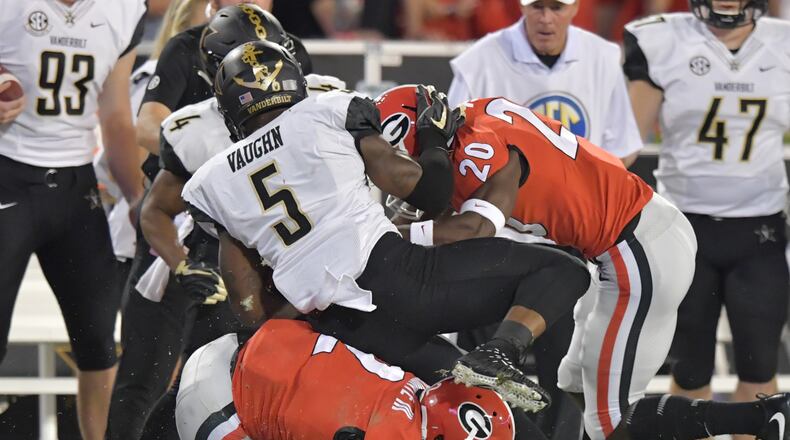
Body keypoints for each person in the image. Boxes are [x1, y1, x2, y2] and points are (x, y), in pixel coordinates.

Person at [182, 40, 591, 411]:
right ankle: (499, 352)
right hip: (401, 280)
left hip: (339, 325)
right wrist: (432, 139)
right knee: (561, 270)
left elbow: (247, 304)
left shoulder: (213, 180)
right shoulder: (326, 110)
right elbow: (426, 194)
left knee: (467, 407)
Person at [374, 85, 696, 440]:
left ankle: (753, 417)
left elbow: (478, 226)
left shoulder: (478, 150)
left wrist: (387, 234)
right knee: (574, 381)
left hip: (639, 245)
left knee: (611, 417)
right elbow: (440, 197)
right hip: (622, 243)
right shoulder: (473, 120)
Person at [110, 6, 298, 439]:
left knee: (242, 378)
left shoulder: (318, 109)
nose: (263, 83)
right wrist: (181, 263)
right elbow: (155, 207)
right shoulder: (196, 130)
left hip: (276, 255)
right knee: (159, 377)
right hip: (201, 245)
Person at [623, 0, 790, 434]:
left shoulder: (783, 44)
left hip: (760, 233)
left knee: (760, 371)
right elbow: (625, 145)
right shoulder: (662, 40)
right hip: (683, 230)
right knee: (689, 369)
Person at [0, 1, 146, 438]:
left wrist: (138, 196)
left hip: (76, 189)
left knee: (99, 343)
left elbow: (116, 116)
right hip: (7, 178)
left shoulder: (122, 10)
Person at [447, 0, 643, 168]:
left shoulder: (603, 57)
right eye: (537, 6)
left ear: (575, 7)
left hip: (579, 205)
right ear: (522, 7)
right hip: (507, 205)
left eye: (556, 7)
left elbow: (621, 148)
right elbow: (454, 145)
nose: (546, 18)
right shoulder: (478, 62)